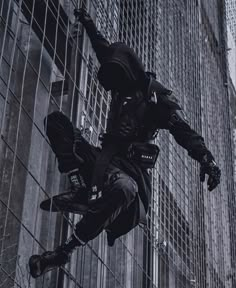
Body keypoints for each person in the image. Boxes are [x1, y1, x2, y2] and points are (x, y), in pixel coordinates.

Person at [28, 8, 221, 278]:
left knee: (124, 188)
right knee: (57, 123)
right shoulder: (121, 81)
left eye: (118, 80)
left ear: (129, 71)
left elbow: (182, 131)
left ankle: (64, 251)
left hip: (130, 176)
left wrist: (206, 158)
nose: (115, 89)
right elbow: (104, 49)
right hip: (102, 163)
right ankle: (79, 186)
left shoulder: (155, 100)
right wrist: (89, 24)